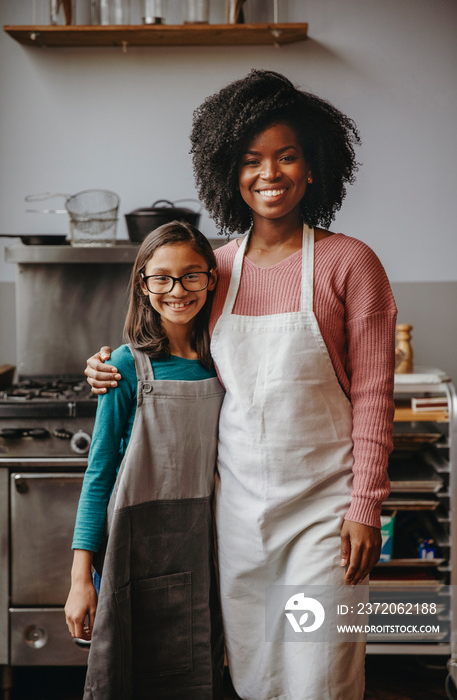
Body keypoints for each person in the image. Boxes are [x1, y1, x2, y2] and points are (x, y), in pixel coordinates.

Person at [84, 70, 397, 700]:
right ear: (230, 172)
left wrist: (365, 506)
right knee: (257, 680)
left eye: (287, 156)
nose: (269, 174)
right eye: (251, 160)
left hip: (325, 516)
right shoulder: (215, 268)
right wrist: (107, 365)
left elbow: (373, 399)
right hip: (237, 515)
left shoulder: (350, 262)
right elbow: (170, 351)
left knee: (323, 678)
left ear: (313, 168)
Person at [65, 221, 225, 700]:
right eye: (162, 278)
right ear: (144, 284)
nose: (177, 290)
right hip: (136, 553)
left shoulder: (227, 359)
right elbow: (99, 475)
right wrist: (80, 579)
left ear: (212, 279)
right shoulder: (123, 366)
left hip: (212, 550)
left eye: (191, 275)